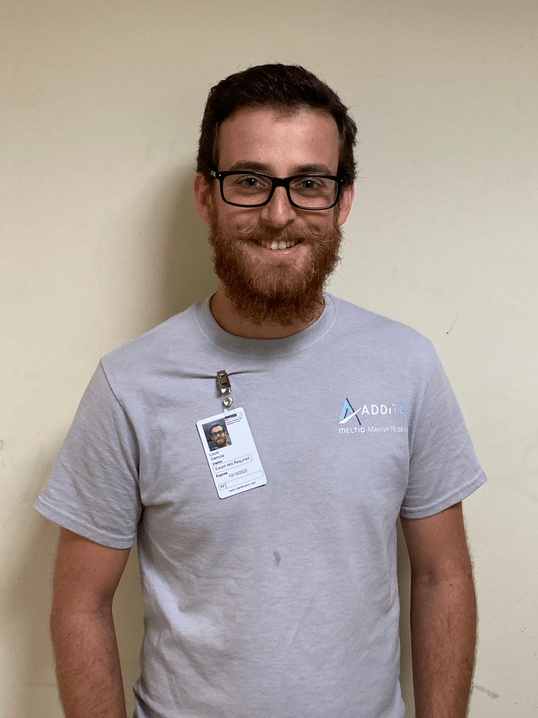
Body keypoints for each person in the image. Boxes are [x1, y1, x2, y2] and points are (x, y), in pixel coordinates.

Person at [36, 64, 486, 718]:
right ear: (206, 195)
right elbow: (81, 604)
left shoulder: (406, 366)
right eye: (249, 181)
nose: (279, 214)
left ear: (343, 200)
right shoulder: (129, 385)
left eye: (309, 183)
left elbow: (444, 577)